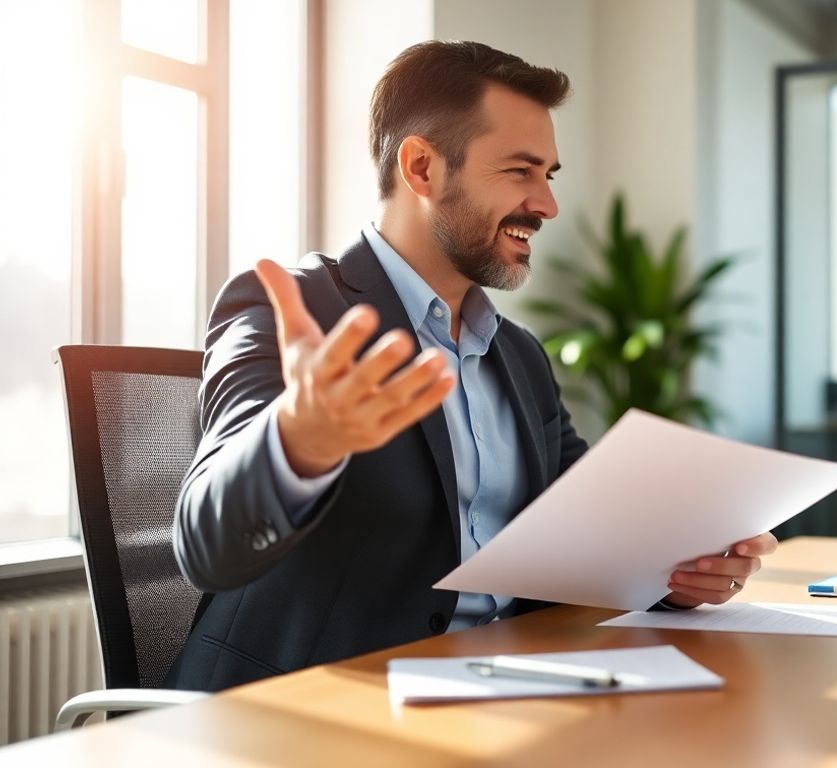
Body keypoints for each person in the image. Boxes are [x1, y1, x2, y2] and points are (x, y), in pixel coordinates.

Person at [167, 40, 775, 691]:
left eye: (550, 174)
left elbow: (587, 532)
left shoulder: (518, 356)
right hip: (311, 711)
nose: (547, 205)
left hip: (497, 692)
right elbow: (207, 545)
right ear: (423, 167)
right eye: (520, 171)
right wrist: (299, 442)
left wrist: (679, 571)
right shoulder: (292, 311)